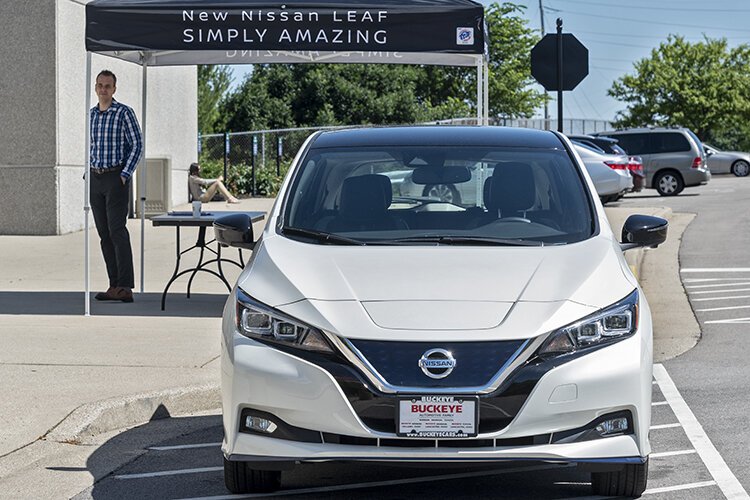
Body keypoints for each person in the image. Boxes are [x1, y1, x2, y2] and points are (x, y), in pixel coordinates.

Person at [89, 69, 143, 303]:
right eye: (100, 85)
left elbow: (137, 144)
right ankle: (113, 285)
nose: (103, 90)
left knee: (117, 231)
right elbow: (91, 146)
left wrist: (124, 174)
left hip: (115, 178)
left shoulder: (123, 113)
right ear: (96, 88)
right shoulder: (91, 114)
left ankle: (125, 286)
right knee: (104, 234)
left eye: (108, 86)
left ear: (114, 89)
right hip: (95, 178)